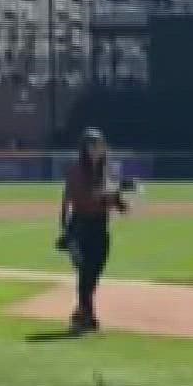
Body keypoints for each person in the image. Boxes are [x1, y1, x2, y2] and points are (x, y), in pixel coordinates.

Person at [57, 128, 130, 334]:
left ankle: (82, 313)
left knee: (94, 271)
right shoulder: (76, 171)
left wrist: (120, 202)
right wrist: (66, 230)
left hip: (100, 226)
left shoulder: (107, 170)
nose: (97, 149)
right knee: (86, 272)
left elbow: (110, 197)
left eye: (99, 145)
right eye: (93, 145)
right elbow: (76, 199)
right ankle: (86, 316)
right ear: (85, 149)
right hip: (81, 227)